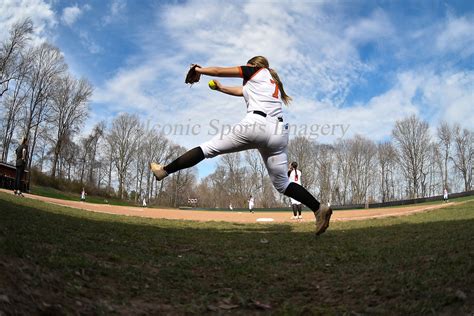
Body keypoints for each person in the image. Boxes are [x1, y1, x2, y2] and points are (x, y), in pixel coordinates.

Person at [150, 56, 332, 235]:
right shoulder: (269, 82)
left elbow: (219, 71)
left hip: (256, 124)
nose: (245, 66)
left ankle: (164, 170)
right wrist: (220, 89)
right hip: (279, 131)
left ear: (253, 65)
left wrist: (199, 70)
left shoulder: (255, 70)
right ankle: (318, 208)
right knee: (283, 184)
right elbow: (240, 91)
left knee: (207, 149)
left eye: (247, 64)